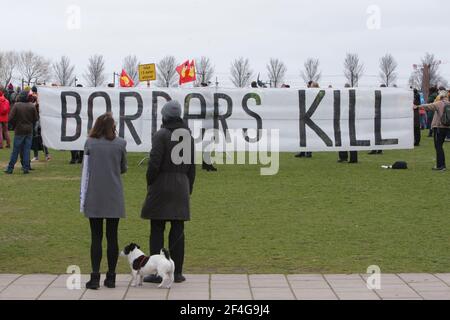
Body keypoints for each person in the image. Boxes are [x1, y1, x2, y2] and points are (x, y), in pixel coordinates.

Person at [142, 100, 195, 284]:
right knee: (178, 230)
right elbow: (192, 166)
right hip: (181, 185)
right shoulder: (187, 135)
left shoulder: (161, 135)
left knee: (157, 229)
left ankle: (157, 272)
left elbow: (154, 163)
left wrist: (150, 181)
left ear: (164, 116)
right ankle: (177, 272)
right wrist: (189, 187)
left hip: (161, 185)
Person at [83, 112, 128, 289]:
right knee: (112, 236)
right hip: (113, 194)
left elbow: (85, 168)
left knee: (96, 236)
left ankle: (94, 277)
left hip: (94, 193)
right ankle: (111, 276)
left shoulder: (90, 143)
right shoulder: (120, 143)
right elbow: (123, 168)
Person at [4, 90, 38, 174]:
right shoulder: (31, 106)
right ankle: (26, 168)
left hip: (19, 130)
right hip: (29, 130)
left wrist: (15, 124)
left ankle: (10, 168)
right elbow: (35, 119)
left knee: (16, 150)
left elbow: (10, 118)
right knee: (26, 150)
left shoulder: (16, 106)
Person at [415, 90, 449, 171]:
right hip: (446, 127)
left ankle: (441, 166)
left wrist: (418, 106)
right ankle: (440, 165)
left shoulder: (439, 103)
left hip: (438, 127)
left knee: (438, 146)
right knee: (440, 146)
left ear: (440, 96)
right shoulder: (448, 103)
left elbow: (429, 106)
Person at [295, 81, 318, 158]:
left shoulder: (316, 93)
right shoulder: (309, 93)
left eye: (310, 86)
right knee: (302, 134)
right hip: (304, 114)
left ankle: (308, 152)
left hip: (310, 116)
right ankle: (302, 151)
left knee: (309, 135)